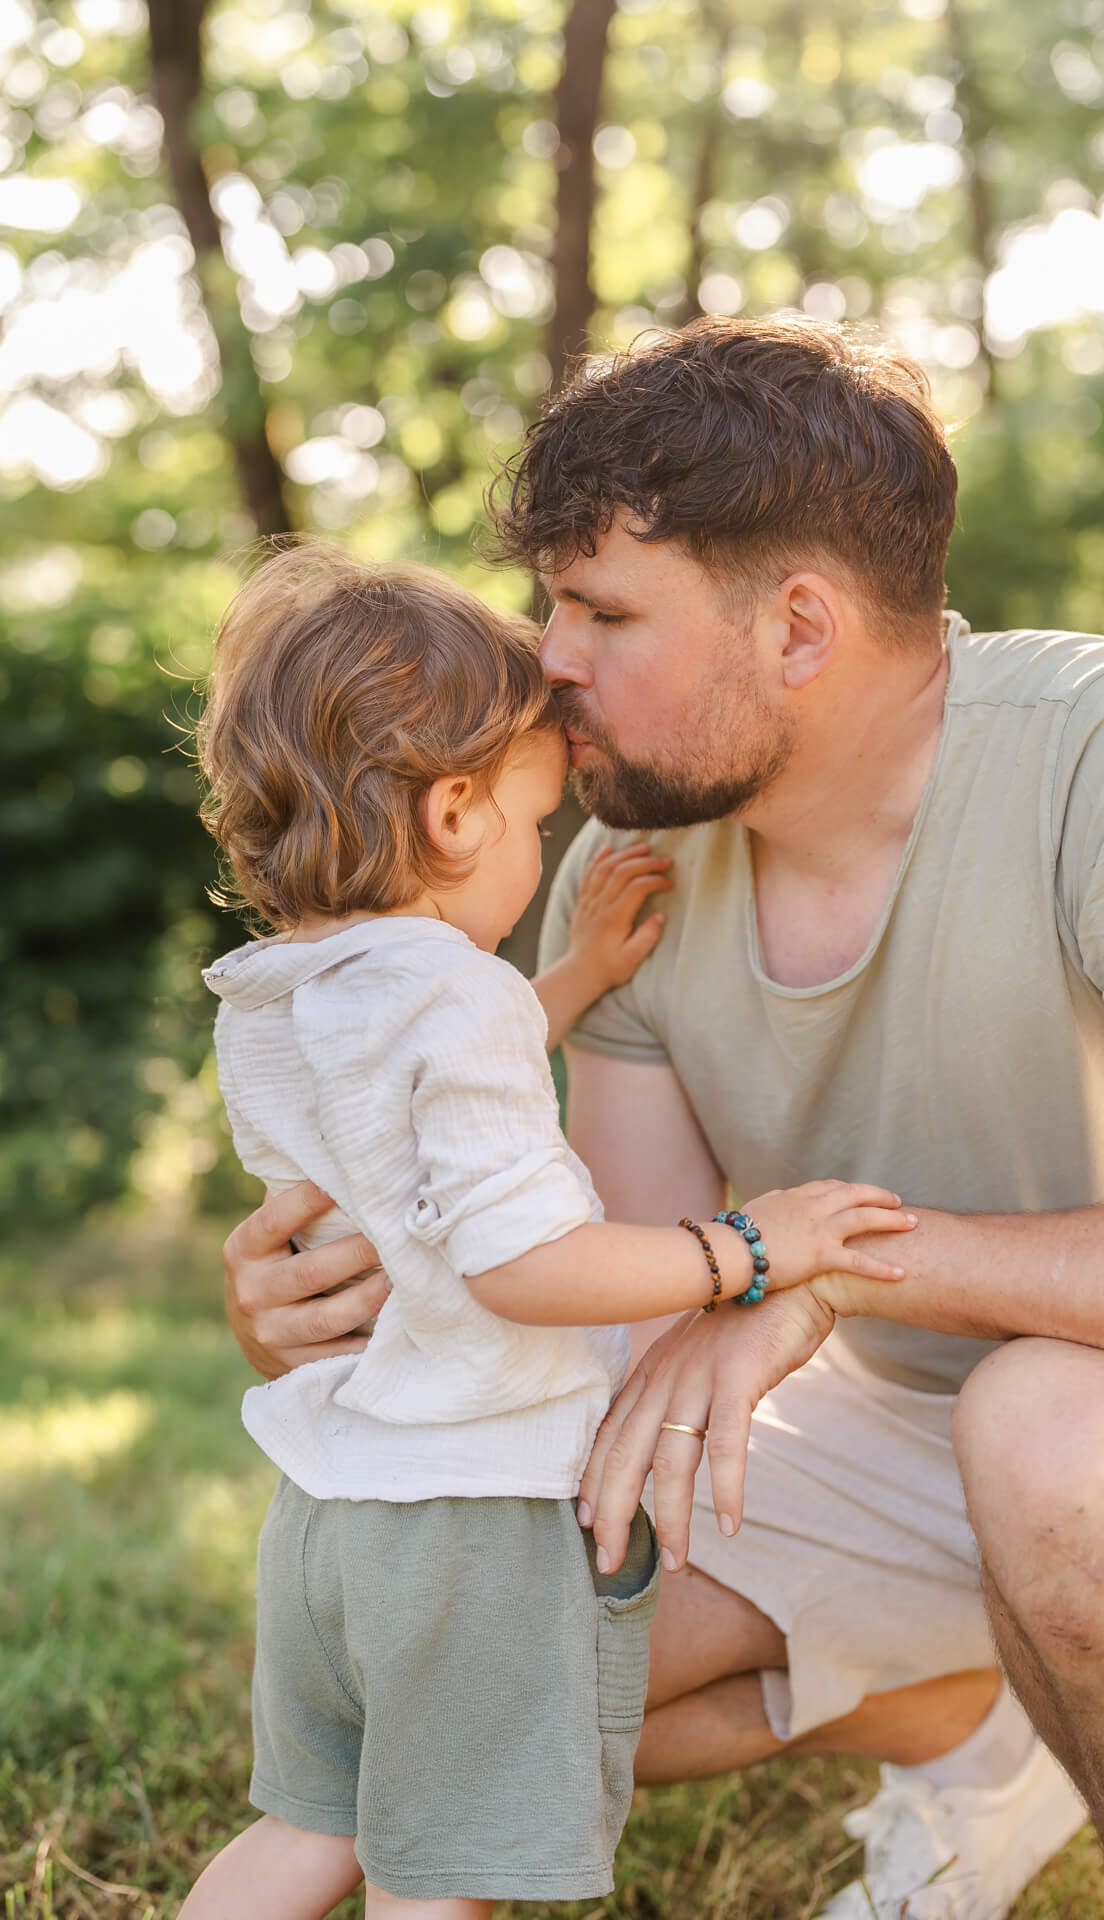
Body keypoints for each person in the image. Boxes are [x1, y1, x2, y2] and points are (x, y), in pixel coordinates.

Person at [221, 318, 1104, 1920]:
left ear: (797, 628)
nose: (548, 659)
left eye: (601, 610)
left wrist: (836, 1271)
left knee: (1055, 1437)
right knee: (525, 1631)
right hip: (874, 1416)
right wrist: (359, 1294)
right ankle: (1004, 1728)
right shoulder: (632, 869)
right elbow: (636, 1312)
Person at [184, 539, 915, 1920]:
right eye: (530, 822)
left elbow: (414, 1125)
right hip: (467, 1517)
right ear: (455, 815)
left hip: (332, 1511)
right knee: (437, 1874)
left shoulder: (282, 992)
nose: (536, 848)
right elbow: (519, 1264)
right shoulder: (451, 999)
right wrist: (747, 1251)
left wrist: (571, 977)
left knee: (309, 1830)